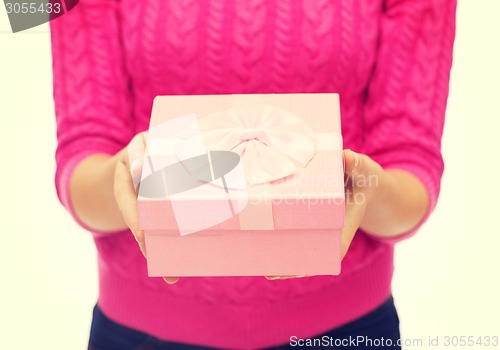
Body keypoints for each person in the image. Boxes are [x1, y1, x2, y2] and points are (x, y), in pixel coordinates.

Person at [49, 1, 456, 349]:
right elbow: (82, 154)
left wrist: (363, 185)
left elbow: (411, 167)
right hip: (141, 332)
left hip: (348, 328)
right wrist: (124, 177)